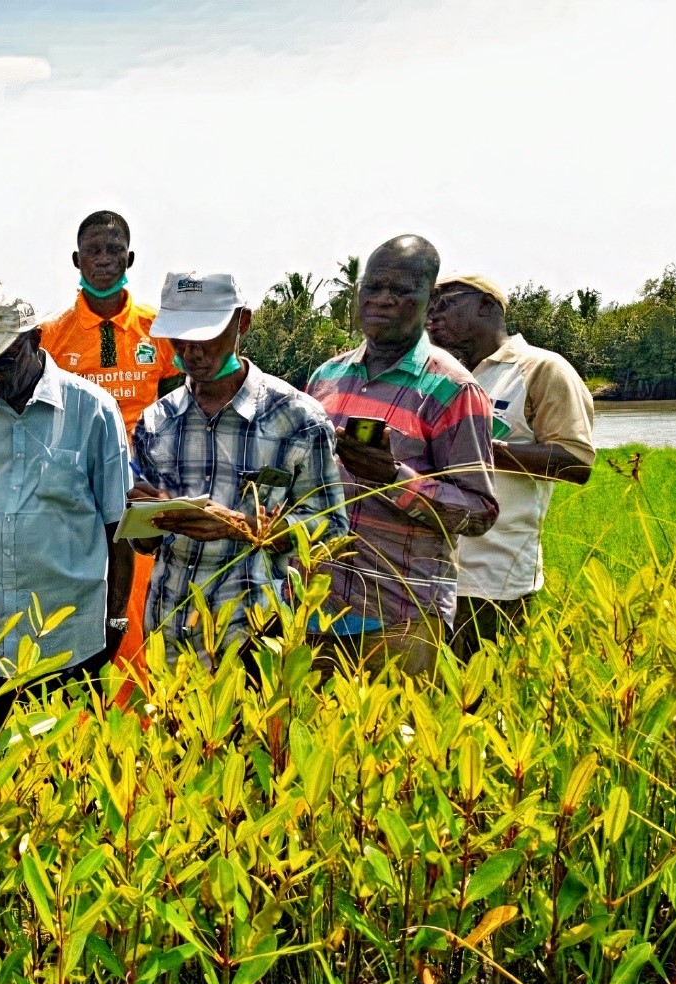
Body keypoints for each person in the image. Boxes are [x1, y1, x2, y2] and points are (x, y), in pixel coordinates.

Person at [129, 272, 348, 665]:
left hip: (255, 635)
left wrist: (242, 526)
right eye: (179, 337)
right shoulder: (155, 422)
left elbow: (331, 527)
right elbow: (144, 544)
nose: (191, 351)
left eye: (206, 334)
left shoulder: (297, 418)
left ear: (241, 322)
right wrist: (148, 516)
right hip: (168, 632)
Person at [305, 235, 498, 677]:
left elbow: (480, 511)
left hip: (400, 615)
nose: (383, 300)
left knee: (396, 743)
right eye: (373, 287)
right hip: (316, 611)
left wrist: (393, 478)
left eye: (402, 290)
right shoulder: (326, 377)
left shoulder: (453, 390)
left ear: (429, 301)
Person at [0, 289, 132, 686]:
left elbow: (118, 528)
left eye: (1, 362)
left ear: (35, 341)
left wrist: (117, 618)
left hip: (71, 643)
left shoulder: (92, 410)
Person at [425, 274, 595, 657]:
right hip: (421, 575)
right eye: (427, 310)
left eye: (445, 305)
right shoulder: (433, 374)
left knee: (482, 700)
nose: (432, 318)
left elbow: (576, 462)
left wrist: (481, 447)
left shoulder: (540, 369)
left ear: (487, 306)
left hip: (494, 582)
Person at [39, 210, 179, 672]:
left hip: (142, 490)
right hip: (77, 493)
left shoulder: (160, 330)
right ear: (76, 259)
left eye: (114, 250)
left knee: (138, 598)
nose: (104, 259)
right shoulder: (50, 338)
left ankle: (136, 710)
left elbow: (182, 406)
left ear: (130, 257)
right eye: (94, 251)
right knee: (82, 592)